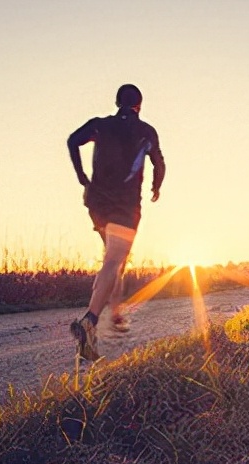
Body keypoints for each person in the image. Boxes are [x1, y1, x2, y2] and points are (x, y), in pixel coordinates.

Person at [67, 83, 166, 361]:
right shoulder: (146, 131)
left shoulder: (100, 125)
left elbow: (72, 140)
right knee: (114, 261)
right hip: (125, 207)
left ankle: (115, 311)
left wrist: (81, 176)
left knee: (113, 259)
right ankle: (90, 321)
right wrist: (156, 186)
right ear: (139, 106)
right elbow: (159, 163)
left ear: (116, 102)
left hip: (97, 204)